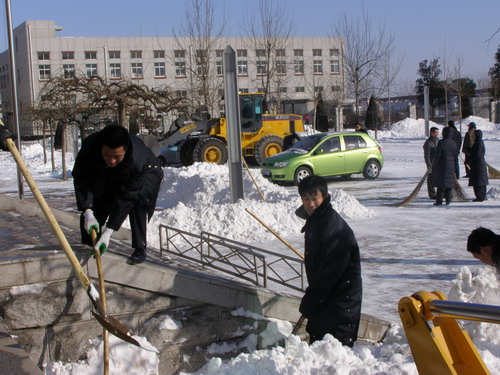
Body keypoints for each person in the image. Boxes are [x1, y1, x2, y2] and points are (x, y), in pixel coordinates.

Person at [72, 125, 164, 265]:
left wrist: (109, 232)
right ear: (101, 147)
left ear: (125, 151)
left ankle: (140, 247)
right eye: (107, 155)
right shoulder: (90, 147)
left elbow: (127, 198)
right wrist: (87, 211)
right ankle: (89, 242)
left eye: (116, 156)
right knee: (102, 197)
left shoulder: (137, 161)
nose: (111, 160)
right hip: (112, 172)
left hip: (148, 171)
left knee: (137, 201)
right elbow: (81, 178)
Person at [295, 175, 362, 347]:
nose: (310, 204)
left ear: (325, 197)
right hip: (327, 301)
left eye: (314, 198)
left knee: (334, 356)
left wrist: (311, 299)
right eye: (306, 199)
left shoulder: (331, 227)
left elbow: (330, 273)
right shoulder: (317, 221)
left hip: (340, 303)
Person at [432, 127, 458, 205]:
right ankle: (448, 201)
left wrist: (434, 164)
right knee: (449, 186)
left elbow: (438, 155)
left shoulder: (441, 142)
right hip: (451, 167)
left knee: (441, 186)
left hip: (442, 166)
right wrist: (456, 169)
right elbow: (455, 157)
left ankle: (439, 201)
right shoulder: (453, 143)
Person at [468, 129, 488, 202]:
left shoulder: (478, 143)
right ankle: (480, 196)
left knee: (478, 181)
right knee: (480, 181)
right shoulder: (478, 142)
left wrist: (470, 159)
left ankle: (480, 196)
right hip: (478, 164)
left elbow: (477, 154)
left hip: (478, 165)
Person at [423, 127, 440, 199]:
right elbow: (427, 155)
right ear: (431, 133)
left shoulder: (438, 141)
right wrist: (429, 165)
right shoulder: (428, 142)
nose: (437, 134)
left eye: (437, 132)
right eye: (435, 132)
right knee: (430, 179)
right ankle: (432, 194)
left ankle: (440, 193)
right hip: (431, 163)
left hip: (438, 163)